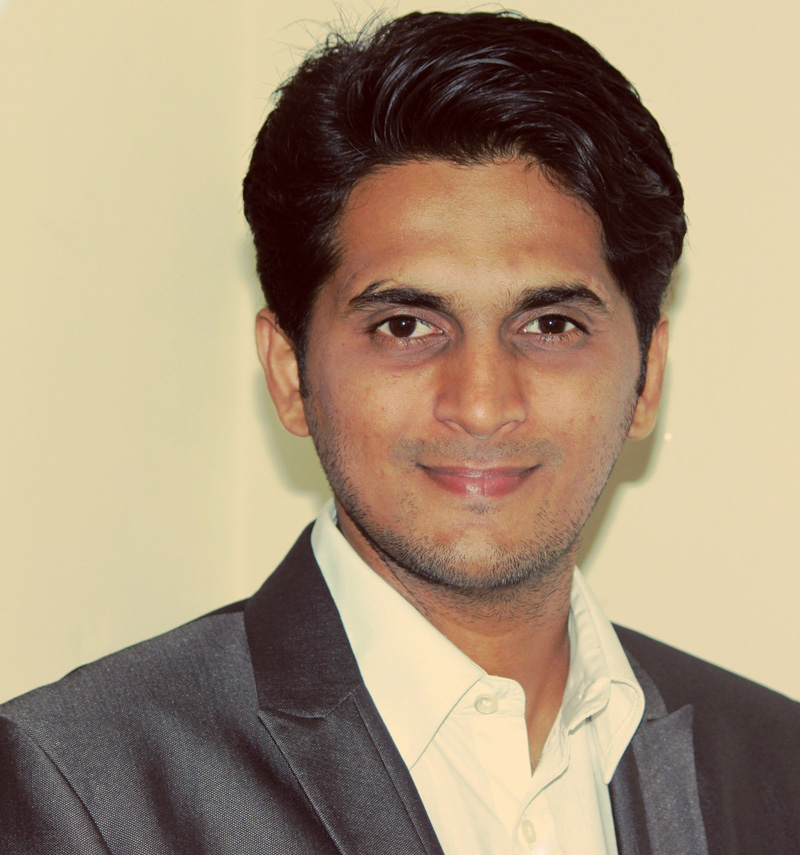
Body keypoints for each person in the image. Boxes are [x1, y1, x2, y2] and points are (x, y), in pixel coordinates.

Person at [1, 9, 798, 854]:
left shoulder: (775, 768)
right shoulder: (87, 786)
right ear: (289, 371)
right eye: (406, 327)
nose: (482, 404)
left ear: (647, 375)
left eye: (551, 325)